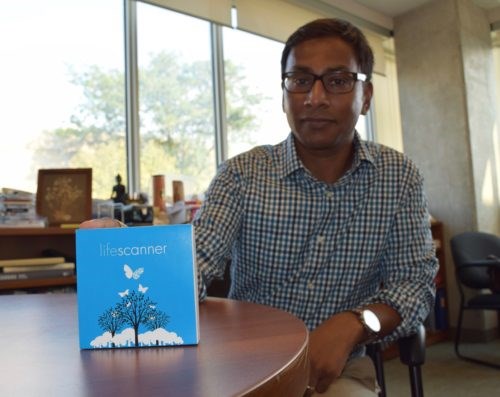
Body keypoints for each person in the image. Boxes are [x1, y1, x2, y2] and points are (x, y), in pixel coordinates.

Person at [81, 18, 438, 397]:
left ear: (365, 97)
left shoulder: (398, 177)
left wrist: (355, 323)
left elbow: (414, 284)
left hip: (338, 367)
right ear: (284, 95)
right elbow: (195, 261)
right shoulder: (242, 174)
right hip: (242, 362)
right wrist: (122, 254)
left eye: (337, 81)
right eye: (300, 80)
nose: (314, 97)